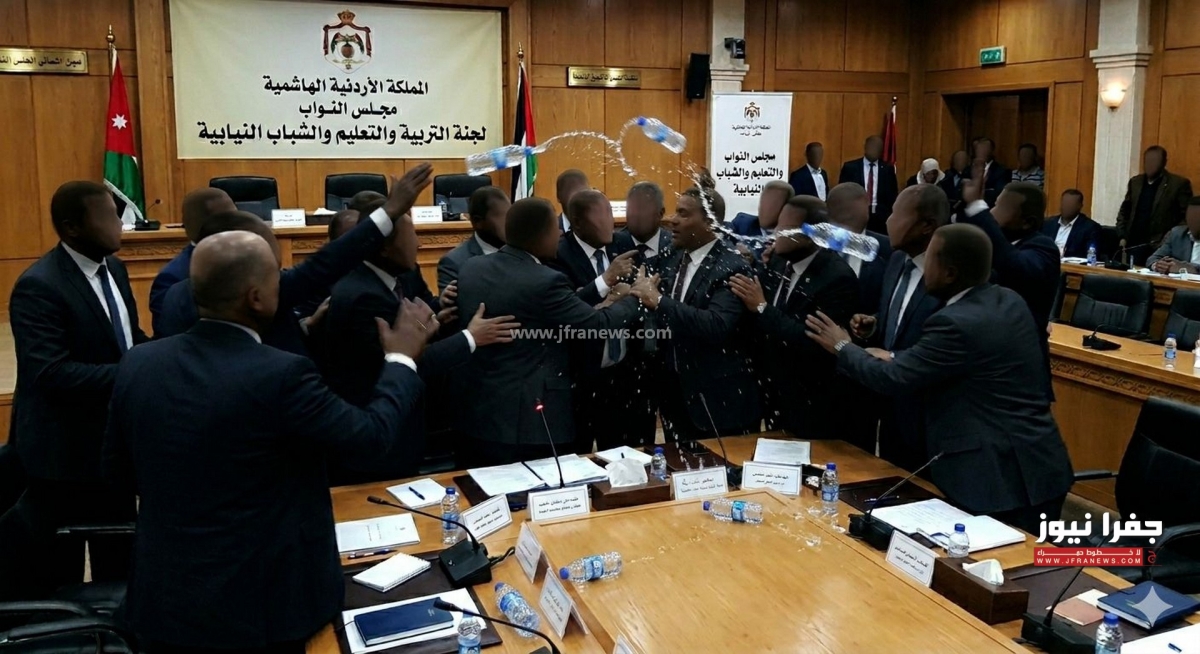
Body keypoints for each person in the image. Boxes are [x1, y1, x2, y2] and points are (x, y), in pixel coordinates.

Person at [103, 231, 430, 653]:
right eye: (278, 276)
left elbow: (117, 474)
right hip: (262, 607)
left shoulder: (139, 363)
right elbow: (370, 438)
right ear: (256, 297)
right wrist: (401, 359)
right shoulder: (282, 374)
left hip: (166, 599)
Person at [807, 223, 1074, 532]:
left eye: (930, 260)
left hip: (999, 480)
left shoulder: (954, 322)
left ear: (949, 273)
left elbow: (894, 379)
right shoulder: (1007, 299)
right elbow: (968, 360)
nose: (922, 269)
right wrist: (895, 355)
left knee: (1002, 560)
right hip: (1040, 465)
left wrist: (842, 346)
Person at [0, 181, 147, 599]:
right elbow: (51, 374)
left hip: (111, 447)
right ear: (72, 228)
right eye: (107, 216)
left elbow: (128, 340)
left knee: (119, 565)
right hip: (62, 456)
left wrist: (161, 356)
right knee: (58, 577)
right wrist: (136, 373)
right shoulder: (40, 286)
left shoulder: (115, 269)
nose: (119, 224)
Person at [322, 208, 517, 483]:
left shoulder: (387, 279)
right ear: (385, 248)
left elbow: (413, 332)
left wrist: (437, 314)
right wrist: (471, 337)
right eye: (411, 235)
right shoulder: (364, 297)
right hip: (376, 442)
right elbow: (408, 362)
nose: (419, 243)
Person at [453, 198, 652, 467]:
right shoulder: (545, 279)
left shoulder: (471, 268)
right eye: (554, 228)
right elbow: (596, 326)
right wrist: (635, 297)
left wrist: (603, 288)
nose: (560, 233)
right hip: (530, 426)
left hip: (478, 415)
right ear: (540, 235)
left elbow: (549, 309)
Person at [156, 165, 435, 355]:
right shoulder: (284, 373)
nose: (281, 273)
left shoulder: (175, 298)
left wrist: (305, 327)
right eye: (273, 267)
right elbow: (325, 263)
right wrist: (389, 211)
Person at [636, 187, 761, 441]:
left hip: (717, 401)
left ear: (710, 222)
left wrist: (658, 301)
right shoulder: (672, 256)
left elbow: (716, 325)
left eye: (683, 214)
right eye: (675, 212)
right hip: (675, 395)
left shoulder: (733, 267)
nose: (673, 220)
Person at [730, 196, 858, 439]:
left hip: (813, 402)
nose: (777, 232)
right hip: (773, 394)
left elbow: (814, 342)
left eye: (786, 227)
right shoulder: (779, 261)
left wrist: (762, 308)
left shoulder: (837, 278)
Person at [848, 184, 949, 470]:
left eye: (897, 214)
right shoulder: (895, 259)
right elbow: (899, 314)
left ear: (927, 226)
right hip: (891, 408)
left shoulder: (949, 273)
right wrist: (874, 323)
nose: (888, 221)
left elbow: (947, 340)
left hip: (930, 417)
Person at [547, 190, 643, 453]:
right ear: (577, 223)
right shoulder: (557, 254)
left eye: (611, 213)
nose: (610, 221)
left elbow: (641, 291)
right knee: (577, 457)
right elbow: (567, 309)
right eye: (601, 215)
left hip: (622, 375)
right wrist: (605, 281)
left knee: (621, 457)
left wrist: (622, 298)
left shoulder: (623, 245)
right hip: (579, 381)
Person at [959, 170, 1061, 350]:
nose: (991, 212)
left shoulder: (1044, 248)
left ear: (1026, 222)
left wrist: (977, 207)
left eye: (999, 207)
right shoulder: (997, 244)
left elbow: (1015, 267)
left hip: (1019, 352)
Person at [609, 181, 673, 447]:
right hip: (626, 362)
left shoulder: (676, 246)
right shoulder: (612, 245)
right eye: (630, 210)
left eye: (642, 210)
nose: (634, 216)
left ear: (660, 213)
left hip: (669, 356)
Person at [149, 188, 236, 335]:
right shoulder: (172, 278)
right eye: (231, 217)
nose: (239, 223)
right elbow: (168, 335)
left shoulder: (244, 258)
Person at [1116, 145, 1194, 265]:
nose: (1150, 164)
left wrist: (1170, 239)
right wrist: (1122, 235)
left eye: (1155, 161)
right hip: (1134, 244)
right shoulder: (1136, 182)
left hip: (1160, 247)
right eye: (1147, 161)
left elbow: (1187, 217)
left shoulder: (1178, 184)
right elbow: (1124, 211)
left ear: (1164, 162)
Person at [827, 183, 893, 322]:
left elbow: (890, 305)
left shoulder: (888, 249)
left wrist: (872, 322)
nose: (848, 214)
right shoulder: (816, 246)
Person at [437, 186, 508, 294]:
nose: (510, 223)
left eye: (510, 215)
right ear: (478, 221)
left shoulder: (522, 253)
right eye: (502, 217)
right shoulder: (454, 263)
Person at [837, 135, 899, 233]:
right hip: (856, 215)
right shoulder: (850, 167)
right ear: (865, 147)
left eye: (878, 147)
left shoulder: (888, 169)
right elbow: (843, 193)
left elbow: (893, 194)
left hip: (881, 217)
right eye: (872, 146)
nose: (874, 149)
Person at [1042, 189, 1102, 259]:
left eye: (1071, 204)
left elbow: (1091, 255)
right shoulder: (1048, 223)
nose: (1067, 207)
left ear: (1080, 206)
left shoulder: (1090, 228)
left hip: (1070, 265)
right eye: (1065, 203)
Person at [1147, 196, 1200, 273]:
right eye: (1191, 217)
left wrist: (1190, 268)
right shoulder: (1177, 234)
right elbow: (1153, 258)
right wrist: (1159, 265)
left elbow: (1189, 268)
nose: (1194, 221)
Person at [729, 180, 794, 237]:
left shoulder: (791, 236)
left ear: (785, 209)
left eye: (771, 205)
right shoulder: (742, 224)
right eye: (762, 203)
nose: (764, 210)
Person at [968, 137, 1010, 207]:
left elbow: (999, 194)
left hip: (990, 209)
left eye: (985, 148)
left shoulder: (1001, 171)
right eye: (979, 149)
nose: (981, 152)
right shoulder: (967, 170)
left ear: (991, 151)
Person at [555, 169, 589, 233]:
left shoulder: (598, 231)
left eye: (582, 194)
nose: (577, 200)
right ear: (558, 196)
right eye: (570, 192)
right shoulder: (548, 232)